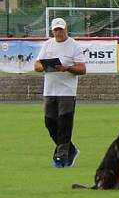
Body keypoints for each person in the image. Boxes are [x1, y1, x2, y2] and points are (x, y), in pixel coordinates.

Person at [34, 18, 87, 168]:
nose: (59, 32)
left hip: (67, 91)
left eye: (61, 29)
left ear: (66, 29)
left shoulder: (74, 46)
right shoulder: (47, 44)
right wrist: (44, 66)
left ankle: (61, 157)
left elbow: (82, 69)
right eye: (56, 30)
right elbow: (37, 65)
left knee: (64, 124)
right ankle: (71, 150)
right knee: (50, 123)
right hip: (50, 90)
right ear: (52, 31)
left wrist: (67, 68)